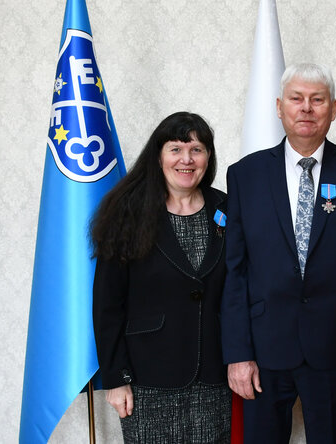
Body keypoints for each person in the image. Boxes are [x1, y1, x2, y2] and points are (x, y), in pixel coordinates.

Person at [221, 63, 336, 443]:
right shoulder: (244, 175)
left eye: (317, 100)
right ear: (280, 107)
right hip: (262, 350)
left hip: (334, 349)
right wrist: (238, 354)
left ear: (334, 108)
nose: (306, 108)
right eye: (296, 99)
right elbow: (236, 271)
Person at [91, 112, 231, 443]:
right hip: (146, 379)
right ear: (158, 156)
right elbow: (107, 304)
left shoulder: (227, 207)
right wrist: (115, 378)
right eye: (176, 149)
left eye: (196, 149)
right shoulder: (127, 211)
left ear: (208, 157)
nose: (187, 159)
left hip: (214, 376)